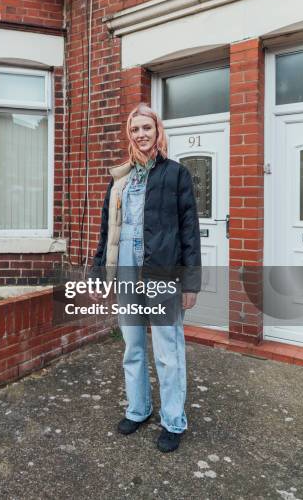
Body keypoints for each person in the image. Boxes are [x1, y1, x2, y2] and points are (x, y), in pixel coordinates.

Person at [91, 103, 201, 453]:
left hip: (163, 270)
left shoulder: (176, 174)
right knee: (133, 346)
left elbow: (189, 230)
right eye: (135, 129)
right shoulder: (120, 179)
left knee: (168, 350)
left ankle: (173, 421)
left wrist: (191, 281)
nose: (141, 134)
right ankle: (138, 410)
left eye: (146, 128)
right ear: (130, 134)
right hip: (124, 267)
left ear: (158, 132)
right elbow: (106, 231)